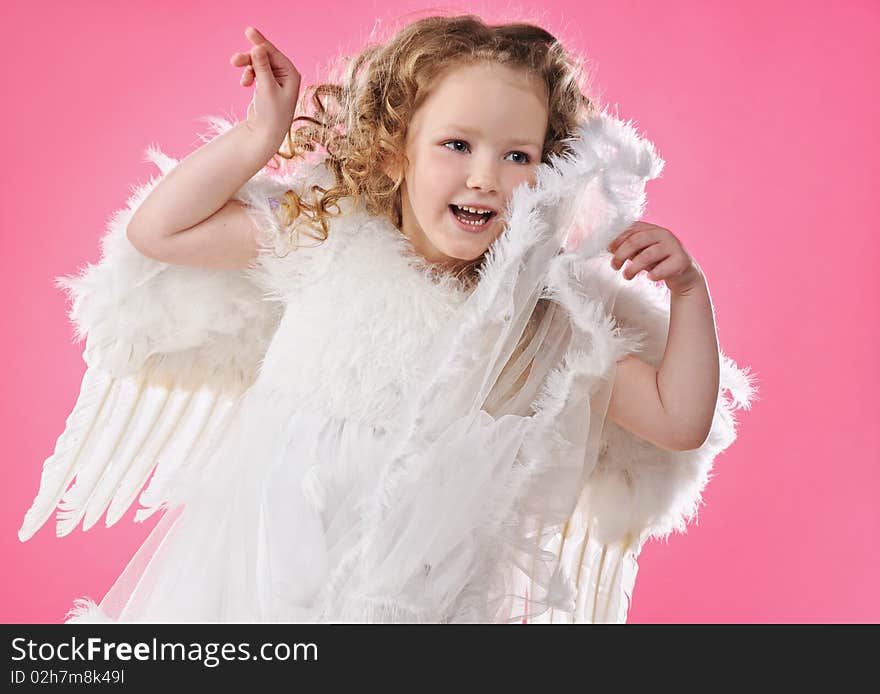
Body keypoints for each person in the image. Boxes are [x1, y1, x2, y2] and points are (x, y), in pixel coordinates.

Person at [18, 15, 757, 623]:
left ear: (553, 172)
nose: (483, 176)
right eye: (457, 144)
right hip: (253, 582)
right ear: (398, 149)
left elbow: (676, 419)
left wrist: (690, 293)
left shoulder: (535, 324)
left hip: (417, 606)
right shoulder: (330, 238)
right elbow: (161, 233)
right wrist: (257, 138)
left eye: (518, 156)